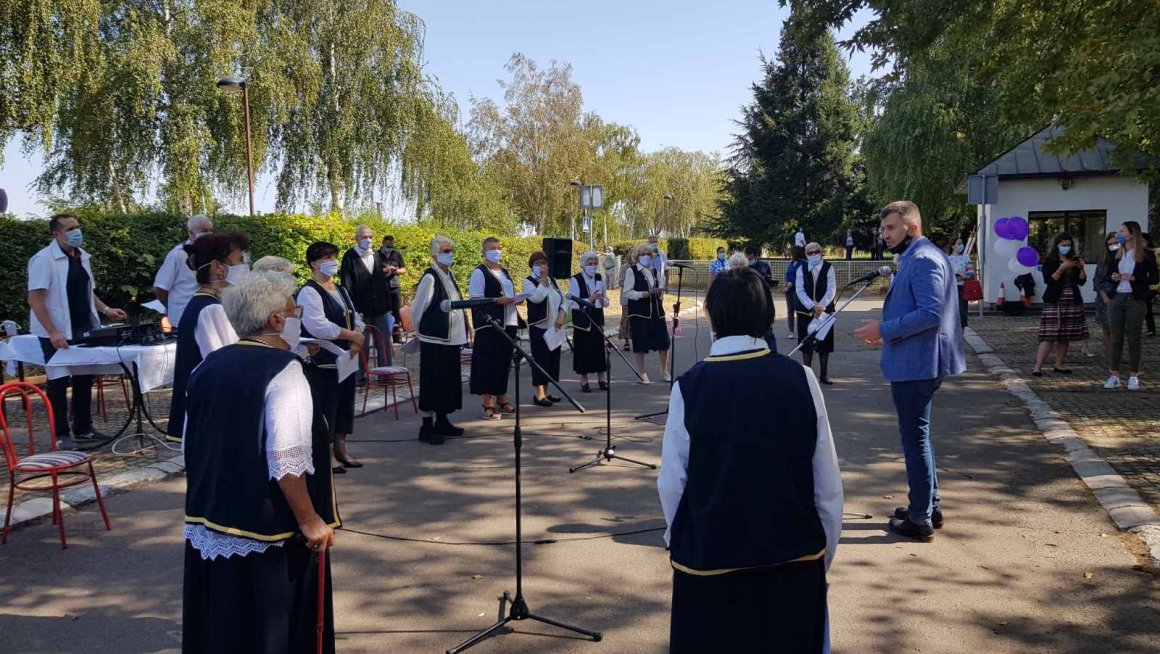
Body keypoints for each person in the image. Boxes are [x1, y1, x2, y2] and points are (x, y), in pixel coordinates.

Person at [658, 266, 842, 654]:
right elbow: (826, 482)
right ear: (766, 316)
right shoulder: (801, 379)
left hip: (710, 561)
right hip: (793, 556)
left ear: (711, 317)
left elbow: (673, 482)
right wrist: (824, 552)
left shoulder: (690, 387)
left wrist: (680, 539)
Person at [182, 270, 336, 654]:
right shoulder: (285, 369)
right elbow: (286, 457)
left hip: (212, 514)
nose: (297, 315)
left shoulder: (208, 366)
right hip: (267, 526)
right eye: (294, 309)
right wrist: (309, 518)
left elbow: (190, 443)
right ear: (276, 320)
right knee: (271, 625)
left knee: (224, 620)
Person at [853, 201, 965, 542]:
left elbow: (930, 314)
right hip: (916, 359)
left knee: (915, 439)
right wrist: (887, 332)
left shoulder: (924, 259)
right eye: (883, 229)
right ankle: (928, 505)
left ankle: (920, 519)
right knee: (920, 437)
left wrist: (884, 330)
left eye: (890, 228)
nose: (884, 235)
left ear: (911, 227)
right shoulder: (921, 255)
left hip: (918, 364)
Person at [27, 213, 127, 450]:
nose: (77, 231)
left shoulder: (82, 257)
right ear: (57, 234)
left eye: (78, 226)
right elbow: (36, 298)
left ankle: (84, 428)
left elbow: (86, 291)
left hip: (83, 327)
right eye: (71, 228)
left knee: (84, 377)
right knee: (58, 381)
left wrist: (105, 309)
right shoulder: (44, 260)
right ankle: (60, 433)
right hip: (56, 330)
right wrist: (52, 332)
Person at [165, 232, 248, 443]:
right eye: (239, 260)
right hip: (211, 408)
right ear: (218, 267)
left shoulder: (204, 303)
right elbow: (228, 362)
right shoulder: (211, 309)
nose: (244, 266)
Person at [298, 242, 366, 474]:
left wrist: (358, 333)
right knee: (327, 406)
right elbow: (317, 325)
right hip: (324, 358)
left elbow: (355, 315)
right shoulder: (309, 292)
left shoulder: (341, 289)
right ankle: (326, 456)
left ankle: (341, 448)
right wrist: (352, 335)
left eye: (334, 257)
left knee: (345, 403)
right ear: (313, 264)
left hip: (347, 356)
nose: (333, 262)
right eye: (327, 258)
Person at [411, 236, 469, 444]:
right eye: (445, 251)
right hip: (434, 339)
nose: (449, 254)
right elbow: (418, 308)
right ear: (435, 254)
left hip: (451, 338)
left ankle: (442, 420)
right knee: (432, 382)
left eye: (450, 250)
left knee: (447, 382)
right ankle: (426, 427)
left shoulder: (449, 274)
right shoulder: (430, 277)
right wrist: (419, 332)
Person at [469, 237, 522, 419]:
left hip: (509, 321)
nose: (497, 251)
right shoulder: (480, 272)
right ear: (484, 251)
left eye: (499, 248)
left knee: (504, 362)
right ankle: (487, 402)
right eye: (492, 248)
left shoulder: (505, 272)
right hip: (490, 324)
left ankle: (502, 397)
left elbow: (509, 294)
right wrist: (498, 301)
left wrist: (516, 299)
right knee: (489, 362)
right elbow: (475, 300)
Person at [1103, 221, 1158, 390]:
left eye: (1122, 231)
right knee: (1116, 337)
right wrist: (1113, 276)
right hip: (1117, 297)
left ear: (1132, 233)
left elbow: (1154, 279)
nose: (1118, 234)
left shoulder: (1146, 255)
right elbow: (1106, 274)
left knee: (1134, 338)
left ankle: (1134, 375)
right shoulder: (1116, 253)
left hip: (1135, 298)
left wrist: (1135, 279)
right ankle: (1114, 374)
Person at [1032, 234, 1088, 377]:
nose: (1066, 247)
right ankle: (1038, 367)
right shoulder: (1050, 261)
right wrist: (1062, 268)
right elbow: (1049, 281)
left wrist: (1081, 268)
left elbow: (1081, 281)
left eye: (1068, 245)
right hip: (1055, 300)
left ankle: (1059, 364)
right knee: (1049, 335)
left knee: (1064, 335)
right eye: (1063, 245)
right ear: (1057, 245)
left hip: (1072, 300)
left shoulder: (1073, 261)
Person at [339, 225, 392, 370]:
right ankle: (361, 375)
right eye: (364, 237)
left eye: (370, 236)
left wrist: (388, 305)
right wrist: (353, 309)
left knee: (384, 341)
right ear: (357, 239)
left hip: (380, 307)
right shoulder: (350, 256)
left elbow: (381, 281)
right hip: (361, 308)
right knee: (362, 342)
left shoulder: (375, 254)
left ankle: (385, 372)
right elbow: (347, 284)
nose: (368, 239)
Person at [153, 214, 213, 329]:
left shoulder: (211, 253)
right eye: (204, 231)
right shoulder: (178, 254)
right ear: (191, 233)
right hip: (183, 317)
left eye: (211, 230)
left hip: (205, 317)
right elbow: (160, 287)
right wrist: (169, 306)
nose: (209, 234)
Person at [523, 251, 566, 406]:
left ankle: (547, 392)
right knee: (540, 359)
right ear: (532, 266)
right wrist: (541, 281)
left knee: (552, 360)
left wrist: (562, 314)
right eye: (538, 263)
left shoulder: (553, 280)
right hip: (539, 326)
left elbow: (564, 299)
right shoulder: (528, 281)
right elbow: (536, 298)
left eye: (544, 263)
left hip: (555, 326)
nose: (542, 266)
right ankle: (539, 394)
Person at [623, 243, 670, 383]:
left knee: (664, 341)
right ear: (638, 257)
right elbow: (627, 292)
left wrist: (662, 291)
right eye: (643, 255)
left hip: (656, 310)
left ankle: (664, 370)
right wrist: (641, 294)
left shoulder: (655, 271)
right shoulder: (632, 271)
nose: (646, 257)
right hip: (639, 312)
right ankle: (642, 373)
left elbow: (658, 287)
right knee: (640, 343)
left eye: (648, 255)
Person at [795, 242, 836, 384]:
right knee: (806, 344)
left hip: (825, 311)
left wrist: (822, 305)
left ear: (821, 251)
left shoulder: (829, 267)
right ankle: (808, 375)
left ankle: (824, 375)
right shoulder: (801, 268)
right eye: (809, 253)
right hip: (805, 311)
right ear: (805, 255)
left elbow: (831, 289)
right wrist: (812, 306)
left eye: (816, 251)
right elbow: (799, 290)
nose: (813, 255)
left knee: (824, 343)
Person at [569, 251, 609, 392]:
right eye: (590, 264)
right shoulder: (576, 279)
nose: (593, 266)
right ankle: (584, 380)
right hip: (583, 318)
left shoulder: (599, 278)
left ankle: (601, 378)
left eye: (595, 264)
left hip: (597, 316)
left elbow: (606, 298)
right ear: (583, 265)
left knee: (598, 348)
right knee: (583, 349)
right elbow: (572, 303)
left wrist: (603, 300)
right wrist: (589, 300)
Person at [1093, 233, 1120, 359]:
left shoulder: (1125, 258)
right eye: (1110, 244)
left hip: (1121, 296)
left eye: (1115, 243)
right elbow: (1097, 281)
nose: (1113, 246)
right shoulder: (1103, 260)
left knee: (1118, 329)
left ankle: (1117, 354)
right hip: (1105, 298)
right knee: (1107, 328)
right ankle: (1111, 356)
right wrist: (1104, 297)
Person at [379, 235, 407, 343]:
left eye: (391, 246)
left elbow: (404, 269)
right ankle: (383, 336)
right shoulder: (376, 255)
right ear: (383, 243)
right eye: (388, 246)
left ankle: (396, 336)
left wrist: (396, 271)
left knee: (396, 311)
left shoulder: (397, 254)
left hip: (395, 286)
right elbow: (373, 271)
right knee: (383, 311)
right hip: (381, 287)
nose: (390, 247)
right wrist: (385, 270)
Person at [619, 246, 640, 352]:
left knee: (636, 319)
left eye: (636, 254)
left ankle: (637, 340)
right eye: (632, 253)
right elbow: (621, 282)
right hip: (627, 298)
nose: (634, 256)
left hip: (637, 297)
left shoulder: (640, 268)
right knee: (626, 319)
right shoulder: (624, 268)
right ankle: (626, 341)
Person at [947, 238, 970, 328]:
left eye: (962, 243)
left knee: (962, 310)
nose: (961, 246)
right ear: (953, 246)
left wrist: (964, 276)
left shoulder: (966, 258)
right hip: (950, 288)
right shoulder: (947, 258)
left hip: (962, 287)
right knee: (950, 311)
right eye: (959, 243)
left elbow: (970, 272)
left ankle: (961, 332)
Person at [785, 246, 805, 339]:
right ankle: (791, 331)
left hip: (798, 290)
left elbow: (801, 276)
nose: (789, 254)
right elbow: (788, 274)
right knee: (790, 311)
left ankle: (800, 331)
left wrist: (791, 283)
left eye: (791, 252)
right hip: (789, 290)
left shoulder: (803, 263)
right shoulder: (791, 263)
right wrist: (787, 283)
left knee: (799, 310)